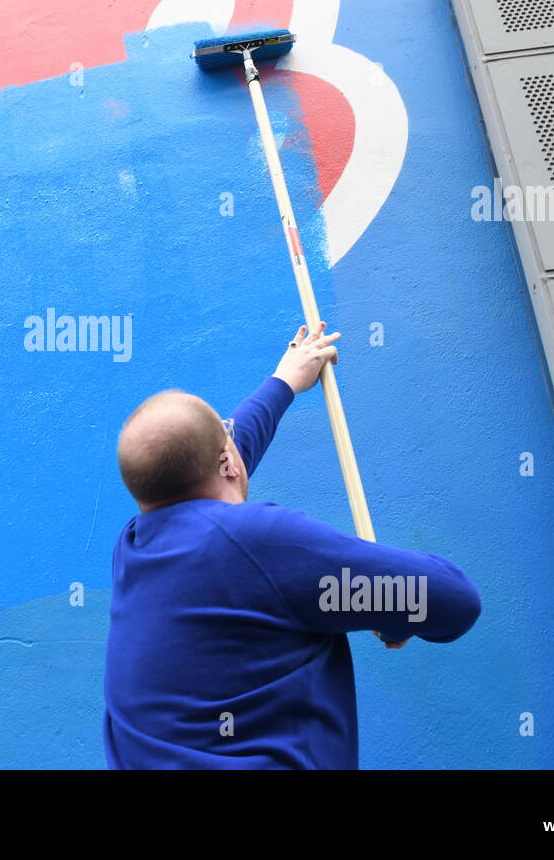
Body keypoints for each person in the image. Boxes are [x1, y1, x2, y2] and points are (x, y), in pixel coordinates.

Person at [104, 322, 481, 769]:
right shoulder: (256, 540)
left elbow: (209, 456)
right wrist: (392, 616)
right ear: (226, 460)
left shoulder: (134, 546)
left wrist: (283, 382)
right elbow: (453, 599)